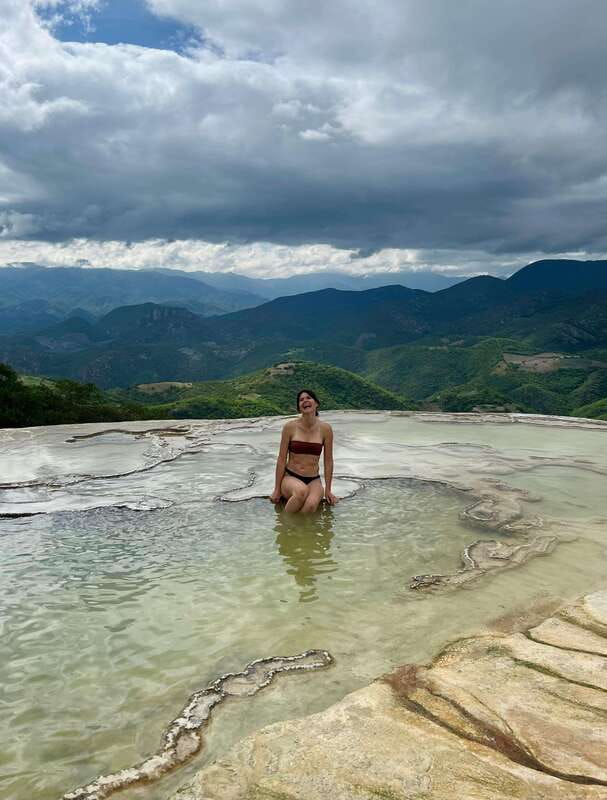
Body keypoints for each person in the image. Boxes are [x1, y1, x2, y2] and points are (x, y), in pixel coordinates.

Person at [269, 389, 338, 513]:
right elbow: (281, 459)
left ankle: (297, 526)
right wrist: (277, 489)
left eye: (309, 398)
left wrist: (328, 490)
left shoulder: (326, 429)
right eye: (301, 400)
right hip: (290, 476)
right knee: (301, 492)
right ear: (299, 408)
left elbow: (328, 461)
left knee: (311, 505)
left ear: (316, 403)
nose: (305, 401)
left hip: (313, 479)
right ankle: (283, 524)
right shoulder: (290, 427)